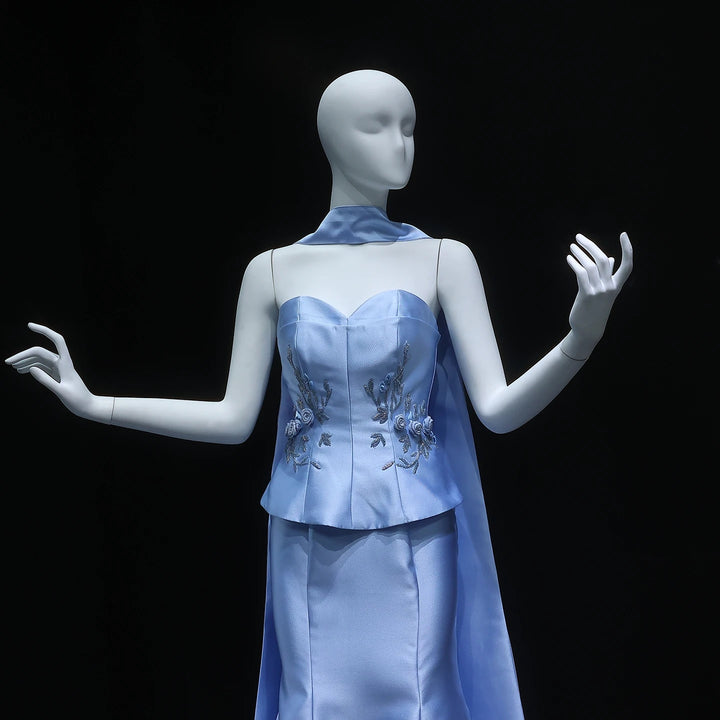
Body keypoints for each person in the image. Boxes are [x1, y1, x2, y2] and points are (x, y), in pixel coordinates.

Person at [6, 69, 632, 719]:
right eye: (377, 125)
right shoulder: (272, 270)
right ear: (332, 137)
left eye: (410, 127)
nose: (401, 144)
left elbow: (497, 412)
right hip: (305, 529)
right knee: (311, 701)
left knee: (421, 698)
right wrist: (95, 403)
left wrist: (579, 337)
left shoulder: (446, 259)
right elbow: (233, 418)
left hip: (417, 530)